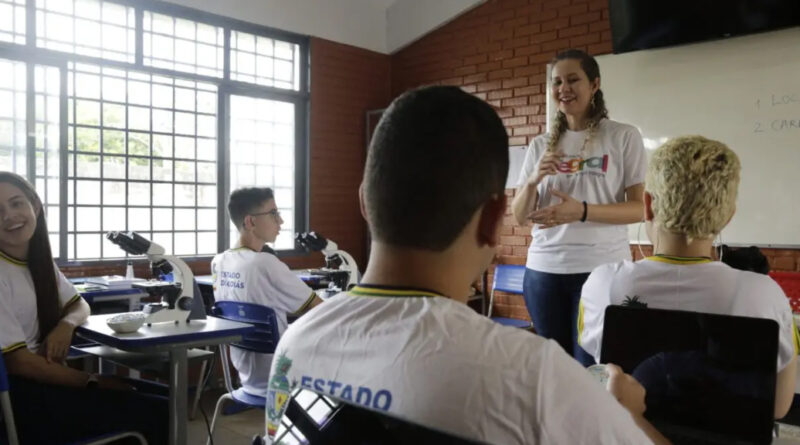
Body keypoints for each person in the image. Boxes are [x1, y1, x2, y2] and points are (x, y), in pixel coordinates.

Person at [264, 86, 669, 444]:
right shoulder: (533, 376)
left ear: (363, 202)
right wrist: (627, 414)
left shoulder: (295, 343)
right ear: (494, 220)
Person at [578, 136, 798, 418]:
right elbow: (778, 408)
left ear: (647, 205)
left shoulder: (603, 284)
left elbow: (598, 378)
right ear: (728, 216)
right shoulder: (764, 294)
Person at [0, 171, 168, 444]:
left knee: (158, 395)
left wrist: (65, 326)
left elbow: (78, 304)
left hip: (45, 383)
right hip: (22, 400)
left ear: (36, 205)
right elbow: (18, 361)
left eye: (16, 203)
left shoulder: (39, 262)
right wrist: (91, 380)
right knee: (159, 409)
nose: (9, 216)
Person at [511, 49, 646, 365]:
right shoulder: (540, 145)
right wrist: (532, 179)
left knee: (592, 368)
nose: (563, 88)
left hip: (602, 269)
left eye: (573, 79)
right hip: (544, 272)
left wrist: (582, 211)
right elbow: (519, 217)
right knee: (555, 369)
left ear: (594, 84)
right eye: (557, 82)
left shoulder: (622, 136)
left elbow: (638, 209)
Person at [211, 187, 322, 397]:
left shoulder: (219, 262)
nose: (280, 221)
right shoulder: (265, 263)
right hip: (283, 378)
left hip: (247, 379)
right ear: (250, 222)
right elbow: (319, 309)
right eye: (273, 214)